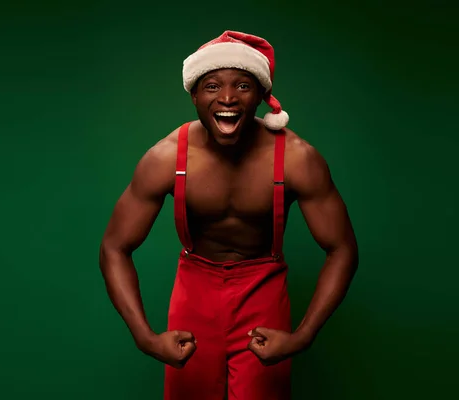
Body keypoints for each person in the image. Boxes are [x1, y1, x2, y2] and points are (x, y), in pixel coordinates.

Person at [99, 30, 359, 400]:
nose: (227, 98)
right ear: (193, 95)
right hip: (195, 289)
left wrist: (303, 335)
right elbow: (114, 247)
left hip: (262, 289)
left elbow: (343, 248)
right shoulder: (166, 158)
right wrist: (144, 336)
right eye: (211, 87)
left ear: (261, 96)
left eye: (242, 85)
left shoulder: (299, 159)